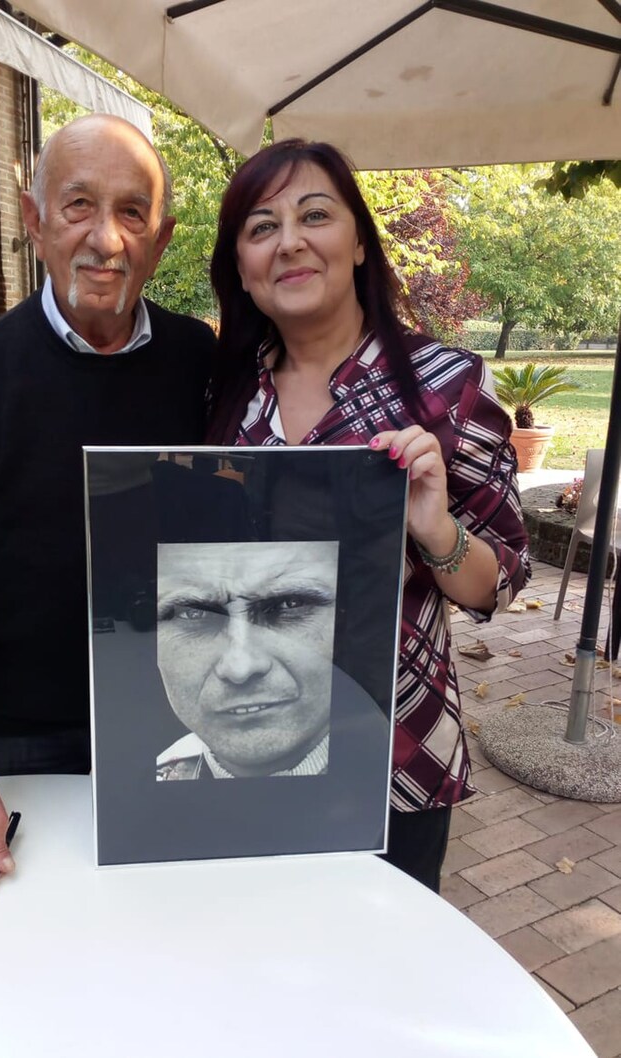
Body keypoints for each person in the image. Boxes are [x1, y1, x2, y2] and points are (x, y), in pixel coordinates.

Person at [0, 114, 216, 884]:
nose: (105, 240)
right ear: (33, 221)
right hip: (15, 744)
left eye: (132, 212)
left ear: (161, 239)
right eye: (78, 206)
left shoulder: (199, 364)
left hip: (171, 724)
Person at [206, 139, 530, 891]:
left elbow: (499, 582)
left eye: (314, 215)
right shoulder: (223, 398)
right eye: (260, 228)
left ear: (357, 242)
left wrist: (435, 528)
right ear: (244, 272)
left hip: (393, 758)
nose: (289, 241)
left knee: (382, 988)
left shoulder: (446, 388)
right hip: (244, 744)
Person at [155, 539, 339, 779]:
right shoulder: (129, 789)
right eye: (193, 614)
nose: (240, 668)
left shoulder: (389, 782)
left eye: (289, 605)